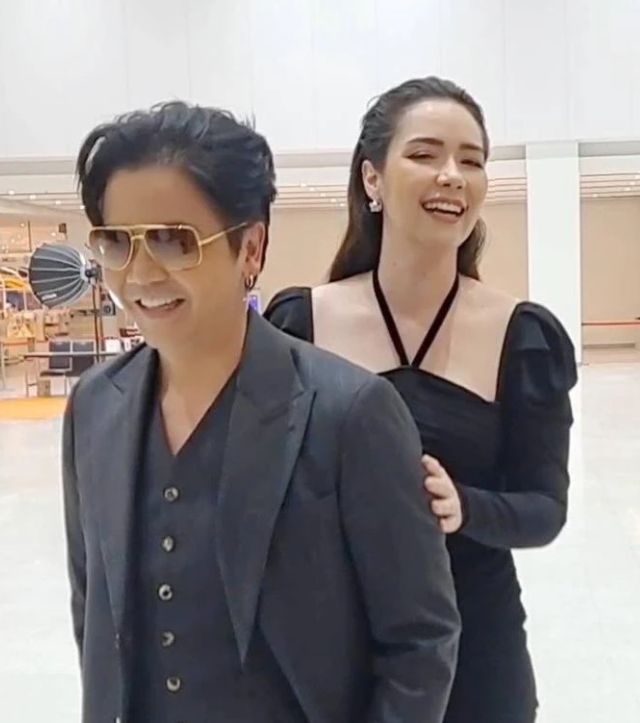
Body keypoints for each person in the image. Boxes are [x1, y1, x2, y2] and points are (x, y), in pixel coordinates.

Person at [61, 101, 461, 723]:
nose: (140, 274)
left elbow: (420, 642)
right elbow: (93, 606)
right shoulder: (94, 406)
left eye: (173, 240)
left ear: (250, 248)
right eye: (117, 242)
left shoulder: (349, 413)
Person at [264, 77, 578, 723]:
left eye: (472, 160)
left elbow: (544, 509)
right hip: (333, 644)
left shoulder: (523, 336)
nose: (452, 175)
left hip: (476, 647)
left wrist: (464, 506)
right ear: (372, 179)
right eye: (425, 154)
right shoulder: (298, 325)